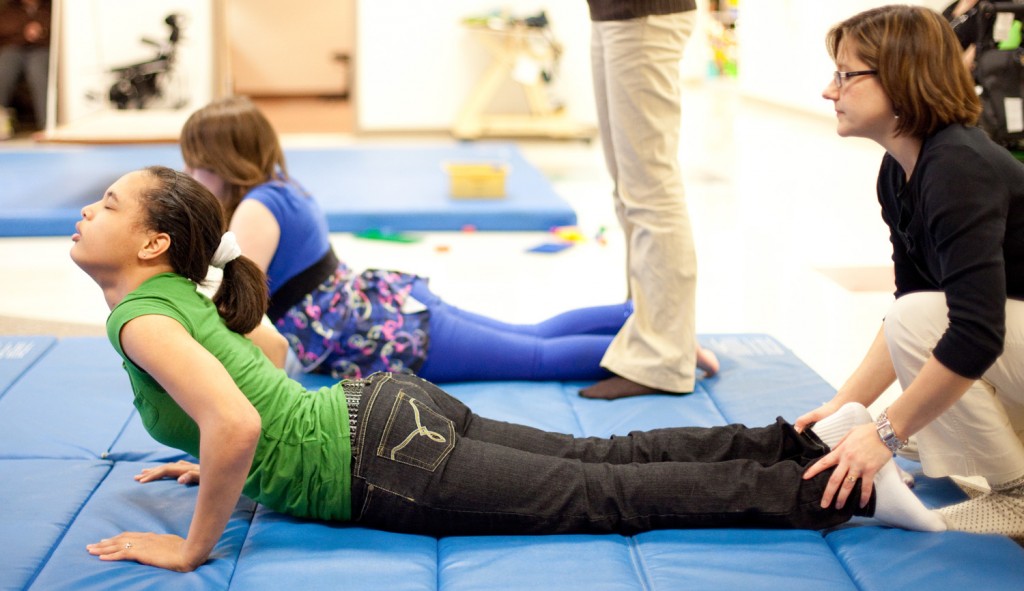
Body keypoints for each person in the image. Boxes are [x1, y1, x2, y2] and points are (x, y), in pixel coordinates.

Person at [76, 167, 943, 572]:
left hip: (376, 457)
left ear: (153, 244)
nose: (86, 209)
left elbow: (240, 418)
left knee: (602, 494)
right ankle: (798, 438)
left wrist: (194, 545)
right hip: (381, 413)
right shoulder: (180, 297)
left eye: (106, 203)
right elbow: (261, 362)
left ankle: (843, 487)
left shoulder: (136, 318)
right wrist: (222, 451)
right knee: (599, 465)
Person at [178, 96, 718, 385]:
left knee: (534, 358)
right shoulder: (281, 188)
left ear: (224, 164)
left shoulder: (254, 210)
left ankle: (662, 348)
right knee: (532, 337)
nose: (192, 178)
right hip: (384, 307)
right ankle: (648, 322)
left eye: (198, 167)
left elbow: (238, 312)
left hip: (382, 332)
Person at [796, 5, 1024, 539]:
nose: (830, 91)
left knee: (922, 338)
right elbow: (911, 303)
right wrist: (845, 406)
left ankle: (1017, 496)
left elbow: (974, 332)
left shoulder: (957, 166)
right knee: (915, 319)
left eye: (845, 75)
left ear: (900, 79)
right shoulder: (900, 172)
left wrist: (885, 434)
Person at [582, 0, 715, 399]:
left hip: (643, 14)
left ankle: (662, 357)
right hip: (612, 13)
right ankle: (659, 332)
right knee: (628, 188)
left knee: (648, 189)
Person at [0, 0, 50, 137]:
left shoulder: (49, 7)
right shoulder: (10, 8)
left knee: (38, 70)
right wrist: (24, 32)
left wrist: (41, 31)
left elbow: (55, 30)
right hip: (14, 49)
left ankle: (46, 125)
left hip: (42, 49)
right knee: (4, 69)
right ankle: (1, 124)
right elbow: (4, 30)